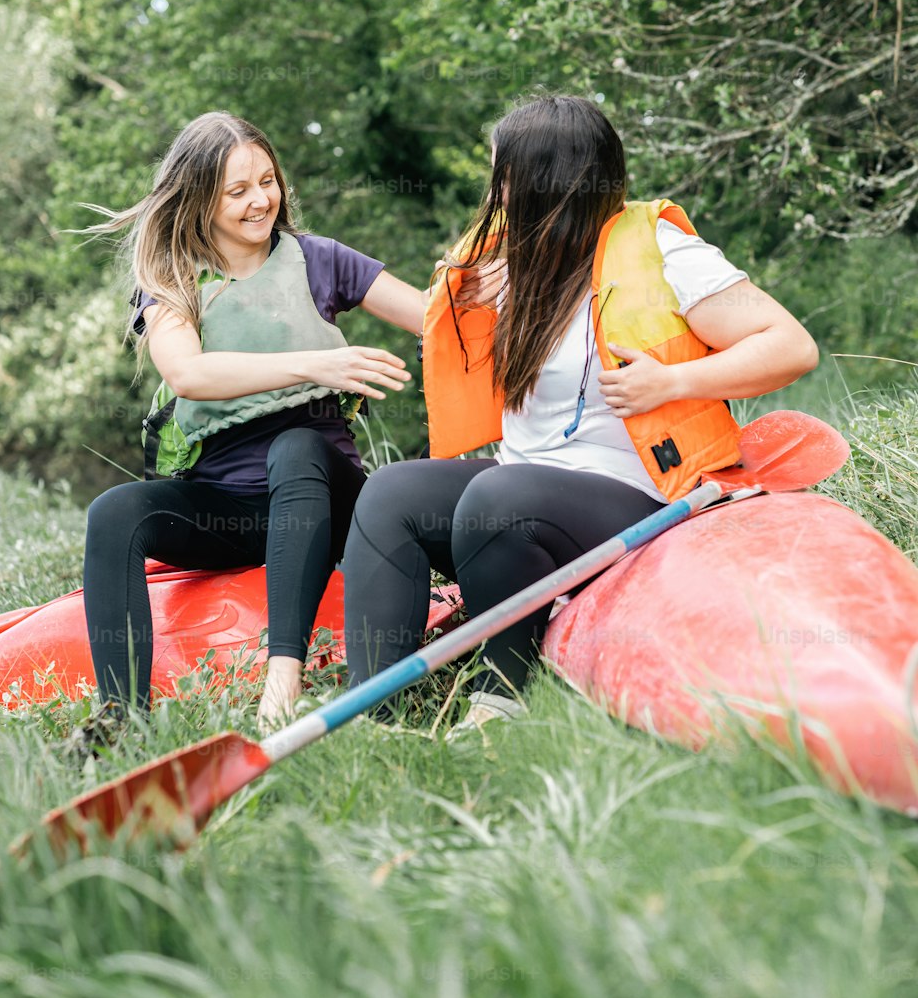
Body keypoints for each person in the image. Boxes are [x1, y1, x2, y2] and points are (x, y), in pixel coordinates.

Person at [342, 94, 819, 730]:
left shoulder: (664, 251)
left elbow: (792, 347)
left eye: (503, 176)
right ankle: (374, 714)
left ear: (544, 183)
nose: (498, 193)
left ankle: (500, 695)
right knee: (390, 492)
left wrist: (674, 381)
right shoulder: (514, 261)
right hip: (512, 514)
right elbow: (443, 327)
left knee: (497, 494)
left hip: (639, 504)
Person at [82, 111, 427, 728]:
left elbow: (435, 318)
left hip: (326, 499)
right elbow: (189, 374)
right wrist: (318, 363)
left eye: (267, 181)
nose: (260, 200)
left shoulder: (319, 260)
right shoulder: (173, 283)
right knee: (112, 512)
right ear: (198, 199)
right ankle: (119, 719)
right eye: (237, 191)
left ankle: (282, 680)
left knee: (295, 445)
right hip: (230, 507)